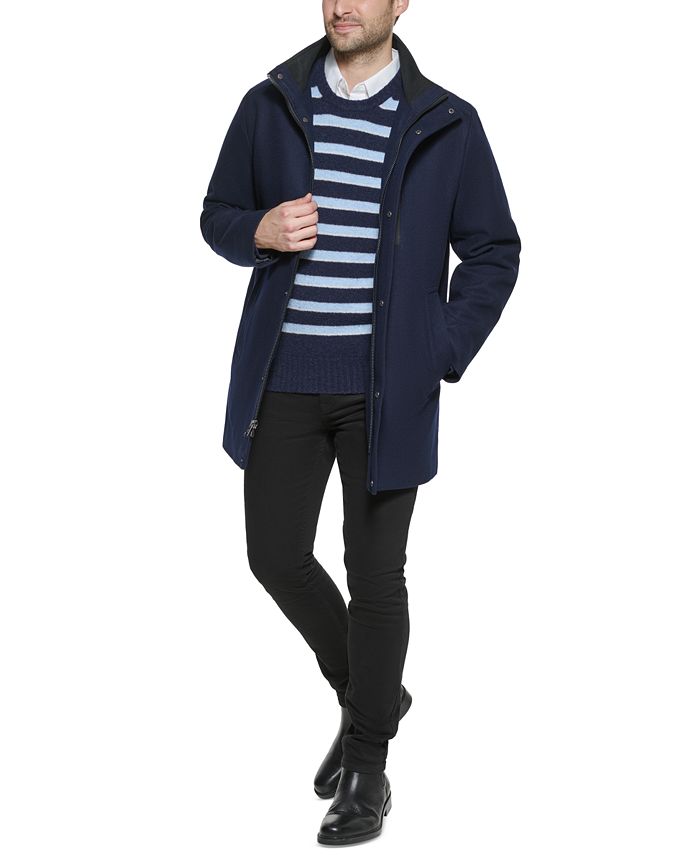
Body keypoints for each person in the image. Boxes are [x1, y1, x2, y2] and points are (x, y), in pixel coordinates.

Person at [199, 0, 521, 844]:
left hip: (386, 388)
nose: (342, 4)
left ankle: (369, 766)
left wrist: (440, 345)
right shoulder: (272, 101)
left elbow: (494, 249)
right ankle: (373, 692)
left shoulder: (448, 122)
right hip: (284, 378)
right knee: (274, 555)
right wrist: (258, 229)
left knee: (376, 575)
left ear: (400, 2)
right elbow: (217, 213)